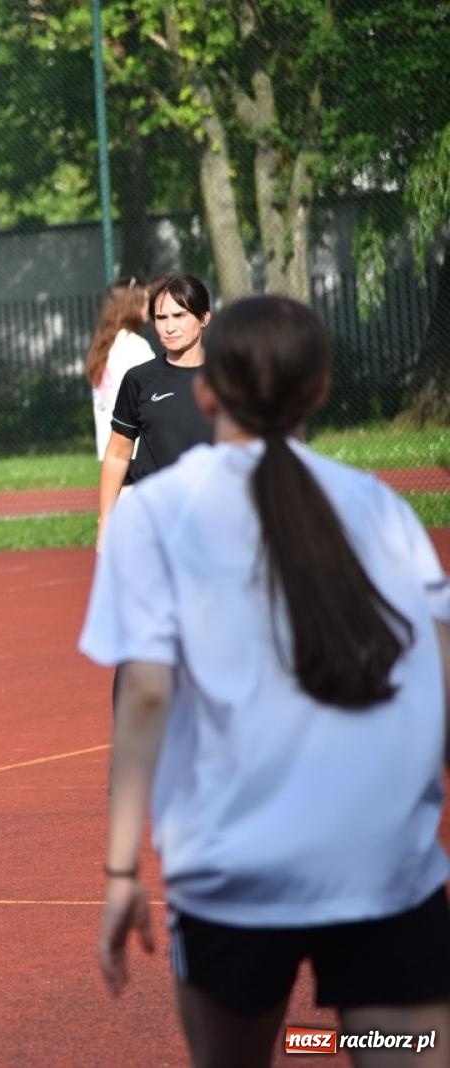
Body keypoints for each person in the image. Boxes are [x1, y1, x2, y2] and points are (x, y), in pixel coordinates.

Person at [80, 296, 450, 1065]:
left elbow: (146, 693)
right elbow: (441, 672)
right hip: (382, 865)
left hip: (234, 872)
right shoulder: (379, 507)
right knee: (399, 1046)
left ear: (208, 392)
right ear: (319, 392)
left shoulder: (156, 515)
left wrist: (121, 870)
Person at [95, 272, 214, 548]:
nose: (169, 327)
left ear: (204, 317)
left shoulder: (230, 378)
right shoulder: (139, 380)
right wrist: (106, 522)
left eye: (179, 315)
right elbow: (117, 454)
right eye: (161, 318)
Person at [85, 276, 154, 464]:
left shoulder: (103, 346)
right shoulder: (135, 346)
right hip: (133, 451)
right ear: (132, 305)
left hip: (110, 450)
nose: (149, 306)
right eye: (145, 301)